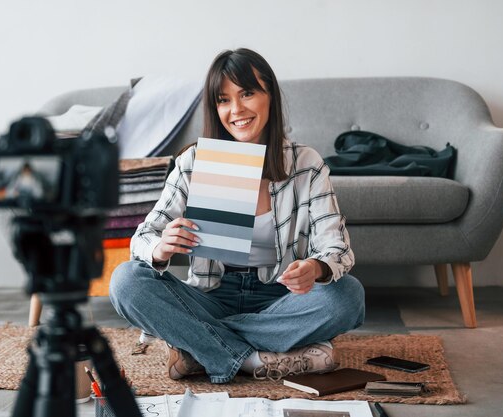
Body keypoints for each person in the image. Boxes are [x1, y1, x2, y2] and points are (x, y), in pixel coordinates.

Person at [110, 48, 365, 384]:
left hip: (282, 301)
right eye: (223, 100)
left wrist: (315, 268)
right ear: (215, 109)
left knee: (348, 296)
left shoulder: (306, 163)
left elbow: (337, 249)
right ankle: (253, 360)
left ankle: (198, 346)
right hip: (209, 297)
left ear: (269, 96)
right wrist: (160, 247)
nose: (236, 110)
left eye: (247, 93)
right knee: (126, 281)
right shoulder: (194, 162)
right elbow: (141, 239)